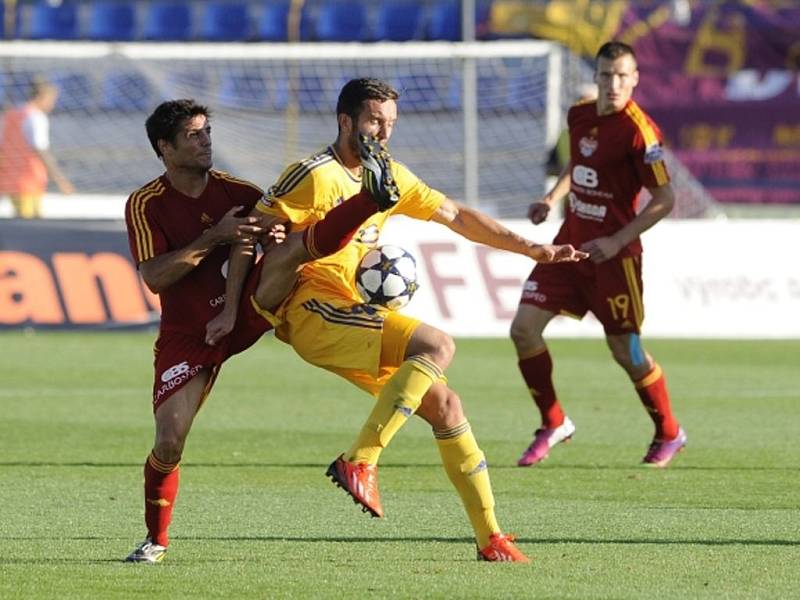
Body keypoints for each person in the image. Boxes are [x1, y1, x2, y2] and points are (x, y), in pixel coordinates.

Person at [209, 78, 587, 563]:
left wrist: (533, 248)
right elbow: (248, 234)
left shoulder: (388, 175)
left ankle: (491, 537)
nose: (383, 132)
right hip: (310, 309)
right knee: (437, 345)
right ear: (346, 121)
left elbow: (457, 216)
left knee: (446, 406)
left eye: (390, 123)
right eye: (374, 121)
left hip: (354, 313)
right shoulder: (312, 175)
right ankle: (359, 461)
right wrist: (227, 306)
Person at [123, 98, 400, 564]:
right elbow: (154, 278)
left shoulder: (240, 191)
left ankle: (367, 199)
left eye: (206, 131)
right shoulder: (145, 204)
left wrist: (234, 304)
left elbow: (252, 245)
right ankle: (156, 541)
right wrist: (217, 237)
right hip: (191, 331)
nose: (205, 140)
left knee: (290, 247)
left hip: (248, 306)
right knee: (169, 440)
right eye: (192, 135)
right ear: (164, 148)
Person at [510, 41, 687, 469]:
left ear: (635, 78)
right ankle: (553, 422)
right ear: (597, 76)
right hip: (569, 245)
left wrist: (616, 240)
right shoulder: (580, 114)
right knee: (523, 330)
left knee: (626, 352)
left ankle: (669, 432)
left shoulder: (640, 133)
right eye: (607, 75)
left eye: (623, 76)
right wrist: (552, 198)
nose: (614, 84)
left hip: (614, 258)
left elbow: (665, 198)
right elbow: (582, 165)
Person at [0, 76, 74, 218]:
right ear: (42, 96)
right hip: (29, 179)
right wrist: (60, 179)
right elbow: (41, 150)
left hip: (11, 179)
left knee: (27, 221)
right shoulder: (35, 117)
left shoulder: (10, 115)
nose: (52, 104)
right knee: (30, 225)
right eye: (52, 100)